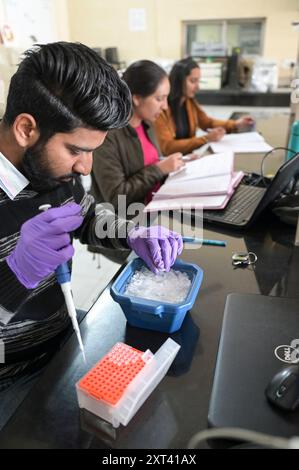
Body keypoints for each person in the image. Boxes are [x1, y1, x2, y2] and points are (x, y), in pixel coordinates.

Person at [0, 43, 183, 390]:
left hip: (65, 340)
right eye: (76, 150)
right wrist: (15, 275)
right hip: (12, 378)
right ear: (26, 129)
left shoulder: (51, 169)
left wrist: (130, 233)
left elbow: (85, 216)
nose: (85, 167)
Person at [90, 60, 185, 212]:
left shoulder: (147, 124)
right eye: (159, 99)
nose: (165, 106)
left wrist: (180, 162)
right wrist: (159, 169)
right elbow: (116, 197)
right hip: (128, 223)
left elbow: (149, 161)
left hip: (155, 208)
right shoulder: (108, 137)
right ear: (137, 98)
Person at [154, 57, 254, 155]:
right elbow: (167, 148)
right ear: (179, 81)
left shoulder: (189, 102)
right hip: (171, 164)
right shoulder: (161, 108)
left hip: (187, 159)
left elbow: (206, 122)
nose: (198, 86)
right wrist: (206, 138)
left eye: (198, 81)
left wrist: (235, 124)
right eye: (193, 81)